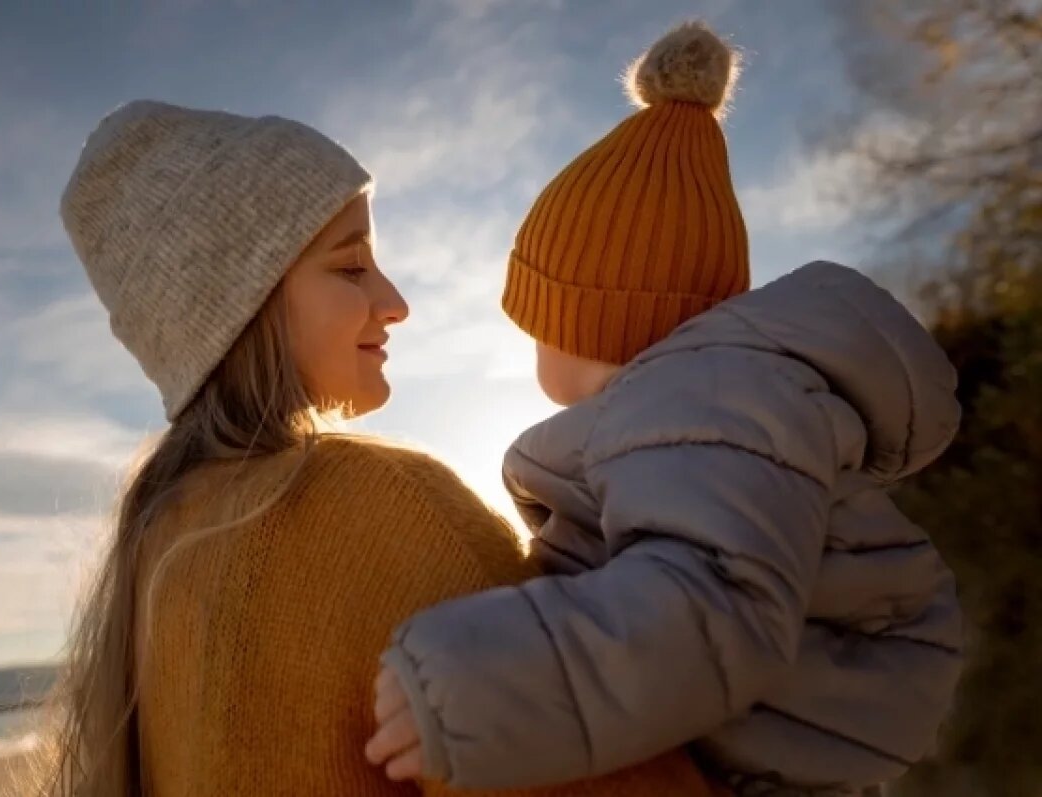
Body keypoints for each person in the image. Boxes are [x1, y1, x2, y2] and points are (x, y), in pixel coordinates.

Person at [36, 100, 723, 795]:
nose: (394, 300)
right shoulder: (382, 510)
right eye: (350, 266)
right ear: (248, 306)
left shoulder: (156, 549)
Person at [366, 21, 965, 796]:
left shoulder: (705, 407)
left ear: (589, 322)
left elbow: (711, 601)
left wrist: (472, 689)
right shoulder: (707, 415)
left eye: (541, 320)